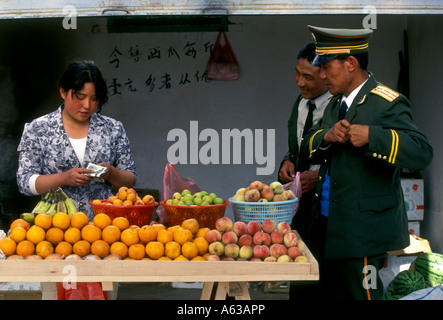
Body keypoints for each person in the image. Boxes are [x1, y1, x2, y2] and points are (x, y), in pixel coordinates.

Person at [300, 25, 433, 300]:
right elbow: (309, 143)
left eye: (326, 67)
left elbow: (422, 151)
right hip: (327, 228)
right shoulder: (335, 104)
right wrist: (327, 136)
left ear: (350, 63)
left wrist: (374, 136)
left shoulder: (387, 102)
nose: (322, 75)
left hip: (362, 233)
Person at [17, 60, 137, 220]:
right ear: (63, 92)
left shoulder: (112, 128)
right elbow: (24, 182)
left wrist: (110, 172)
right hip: (53, 224)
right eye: (80, 97)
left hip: (103, 226)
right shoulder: (39, 128)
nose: (87, 105)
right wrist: (64, 178)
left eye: (94, 99)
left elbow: (130, 180)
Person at [278, 42, 329, 300]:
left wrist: (320, 178)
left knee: (325, 277)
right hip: (302, 206)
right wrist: (288, 161)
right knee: (301, 273)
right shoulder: (301, 103)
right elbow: (298, 146)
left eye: (307, 76)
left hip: (328, 210)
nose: (299, 81)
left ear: (326, 74)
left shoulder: (340, 106)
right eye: (297, 73)